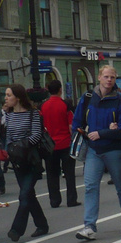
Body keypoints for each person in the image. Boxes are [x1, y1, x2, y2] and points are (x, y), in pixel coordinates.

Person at [72, 64, 121, 241]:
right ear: (99, 77)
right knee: (91, 187)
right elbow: (77, 121)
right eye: (106, 76)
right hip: (93, 150)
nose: (109, 80)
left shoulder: (120, 101)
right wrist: (80, 133)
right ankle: (89, 226)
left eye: (112, 77)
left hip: (113, 150)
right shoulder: (87, 98)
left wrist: (103, 133)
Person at [3, 84, 50, 242]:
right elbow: (8, 137)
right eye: (6, 95)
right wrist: (11, 148)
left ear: (18, 97)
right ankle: (42, 224)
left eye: (9, 95)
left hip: (31, 160)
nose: (6, 98)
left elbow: (36, 135)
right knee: (29, 195)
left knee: (24, 195)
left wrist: (19, 146)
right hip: (17, 162)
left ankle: (16, 229)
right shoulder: (9, 115)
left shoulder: (33, 114)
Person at [40, 80, 79, 209]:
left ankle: (54, 201)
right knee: (69, 174)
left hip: (50, 145)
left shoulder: (43, 106)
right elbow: (70, 126)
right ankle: (71, 199)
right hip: (65, 143)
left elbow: (41, 125)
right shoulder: (65, 105)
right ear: (60, 89)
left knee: (51, 174)